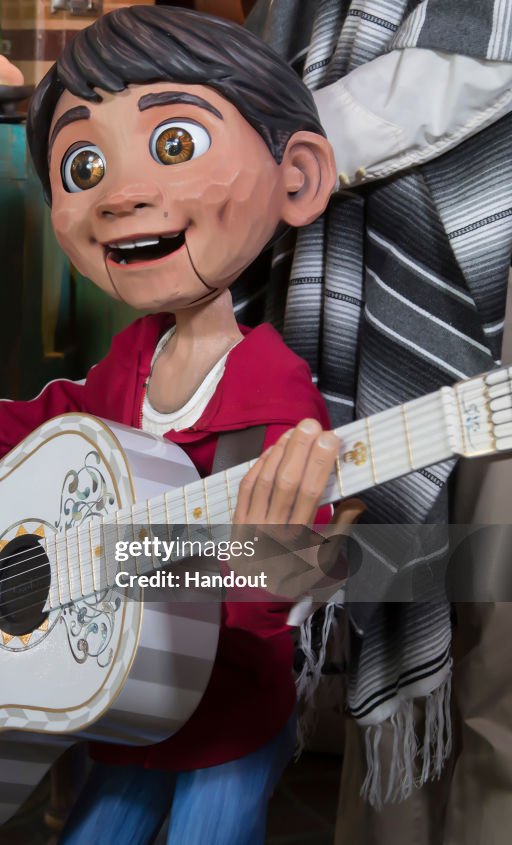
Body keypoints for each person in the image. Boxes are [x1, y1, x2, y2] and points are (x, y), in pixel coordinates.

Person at [0, 7, 345, 844]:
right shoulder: (137, 354)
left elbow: (277, 581)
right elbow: (59, 419)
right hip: (126, 705)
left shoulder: (271, 390)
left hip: (229, 718)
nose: (122, 195)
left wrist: (272, 567)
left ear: (299, 177)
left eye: (174, 146)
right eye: (84, 163)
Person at [241, 3, 512, 843]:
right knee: (393, 585)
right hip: (363, 312)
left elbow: (467, 64)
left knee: (499, 632)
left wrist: (246, 151)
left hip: (498, 289)